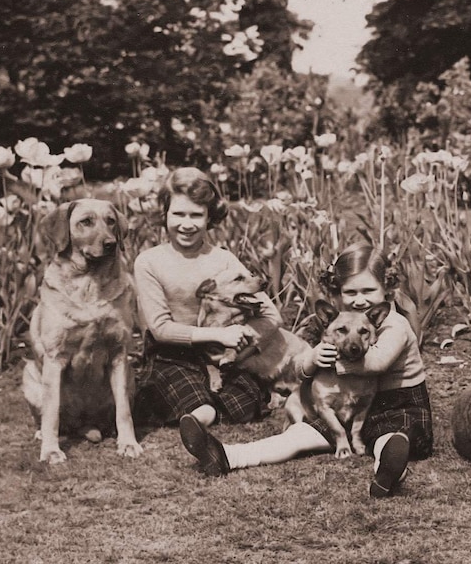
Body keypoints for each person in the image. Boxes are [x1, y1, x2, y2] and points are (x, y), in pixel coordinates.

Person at [179, 243, 434, 498]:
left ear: (386, 290)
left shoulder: (392, 324)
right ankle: (228, 455)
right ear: (338, 293)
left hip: (397, 406)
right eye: (351, 292)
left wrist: (333, 360)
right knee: (300, 434)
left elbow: (377, 363)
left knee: (388, 437)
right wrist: (312, 359)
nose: (359, 299)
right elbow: (299, 366)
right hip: (351, 409)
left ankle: (388, 469)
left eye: (368, 290)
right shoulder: (335, 322)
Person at [134, 167, 281, 432]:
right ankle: (198, 422)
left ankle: (201, 411)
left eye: (196, 215)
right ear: (164, 214)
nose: (186, 224)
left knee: (241, 401)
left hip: (220, 354)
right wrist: (216, 336)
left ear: (209, 217)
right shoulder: (150, 261)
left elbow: (271, 316)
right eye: (178, 214)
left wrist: (240, 345)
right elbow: (160, 328)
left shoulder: (223, 260)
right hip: (171, 352)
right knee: (193, 395)